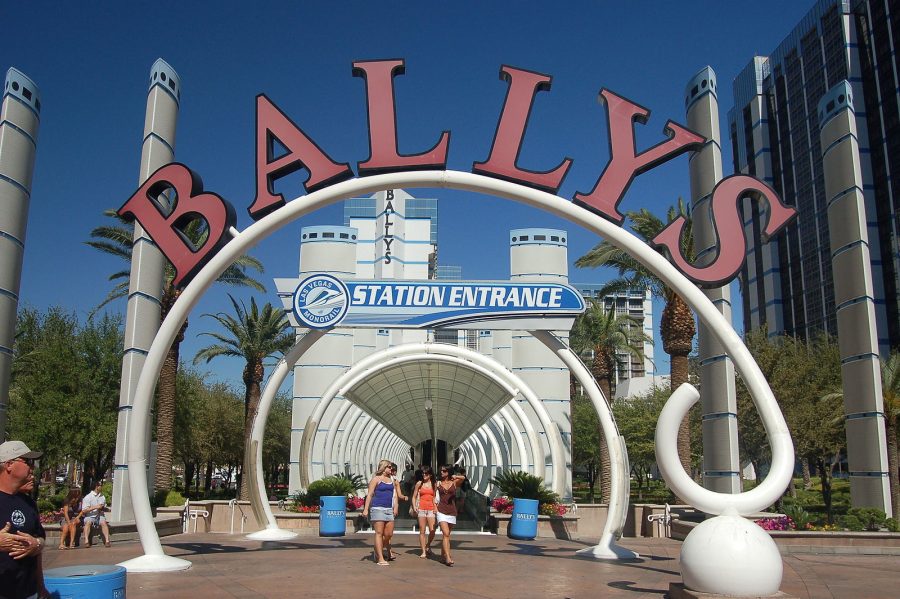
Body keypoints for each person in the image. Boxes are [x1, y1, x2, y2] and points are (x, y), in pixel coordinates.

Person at [0, 440, 48, 599]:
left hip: (28, 592)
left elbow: (39, 541)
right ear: (9, 465)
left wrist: (37, 544)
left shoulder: (28, 503)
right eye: (27, 461)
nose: (32, 467)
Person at [361, 460, 399, 566]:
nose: (391, 469)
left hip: (388, 509)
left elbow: (395, 495)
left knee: (388, 534)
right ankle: (380, 557)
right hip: (377, 508)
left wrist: (395, 507)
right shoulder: (376, 479)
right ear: (384, 467)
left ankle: (377, 549)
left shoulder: (392, 480)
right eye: (389, 467)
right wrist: (366, 509)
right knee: (379, 533)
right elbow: (369, 495)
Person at [435, 465, 466, 567]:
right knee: (446, 533)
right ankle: (448, 557)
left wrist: (455, 476)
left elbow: (463, 478)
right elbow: (433, 496)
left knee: (447, 536)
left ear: (448, 472)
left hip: (452, 511)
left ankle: (443, 555)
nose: (442, 473)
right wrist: (435, 508)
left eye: (444, 471)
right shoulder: (438, 483)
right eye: (441, 471)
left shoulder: (454, 482)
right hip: (441, 510)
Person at [410, 465, 437, 558]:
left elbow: (434, 497)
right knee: (422, 530)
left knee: (432, 530)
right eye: (423, 473)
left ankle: (428, 545)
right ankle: (423, 551)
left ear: (430, 475)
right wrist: (414, 507)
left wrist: (435, 507)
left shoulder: (434, 484)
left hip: (431, 509)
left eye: (426, 473)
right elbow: (413, 496)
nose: (424, 475)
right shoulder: (419, 483)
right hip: (421, 508)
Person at [81, 481, 110, 548]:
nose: (101, 487)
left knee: (103, 523)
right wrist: (95, 507)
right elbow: (84, 510)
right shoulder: (88, 497)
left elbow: (103, 507)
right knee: (88, 522)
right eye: (100, 485)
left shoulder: (102, 496)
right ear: (96, 487)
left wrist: (105, 509)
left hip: (100, 515)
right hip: (90, 515)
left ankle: (107, 541)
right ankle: (86, 541)